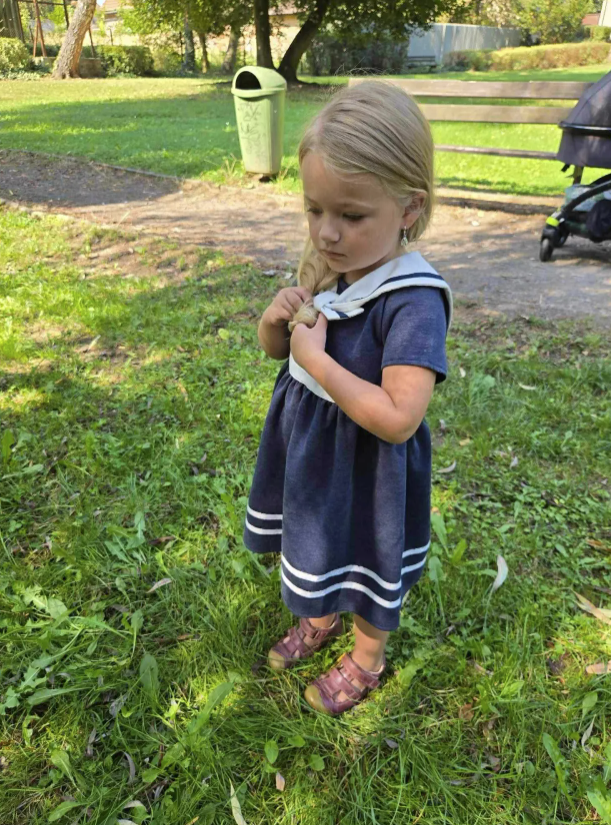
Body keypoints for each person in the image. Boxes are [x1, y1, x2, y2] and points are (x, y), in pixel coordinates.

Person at [243, 80, 452, 716]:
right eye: (315, 210)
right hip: (316, 460)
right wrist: (275, 325)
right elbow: (277, 352)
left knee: (367, 559)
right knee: (319, 541)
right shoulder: (333, 268)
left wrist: (318, 360)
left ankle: (366, 657)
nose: (327, 233)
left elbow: (399, 417)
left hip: (369, 470)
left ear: (409, 207)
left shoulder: (413, 299)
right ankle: (319, 616)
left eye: (351, 216)